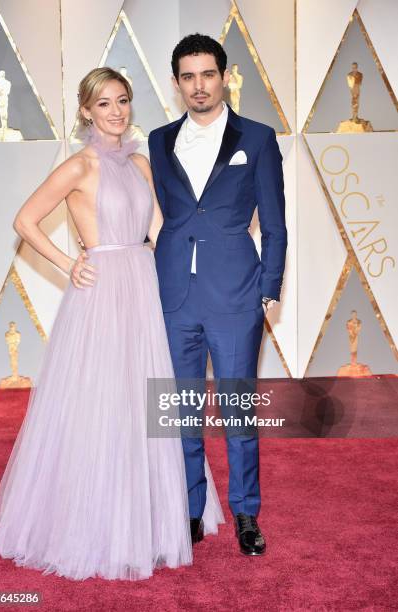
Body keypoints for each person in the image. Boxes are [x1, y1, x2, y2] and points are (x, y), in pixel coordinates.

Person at [0, 67, 224, 581]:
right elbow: (25, 221)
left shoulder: (141, 164)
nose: (116, 112)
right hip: (101, 290)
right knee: (101, 401)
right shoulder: (78, 166)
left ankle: (153, 521)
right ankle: (95, 523)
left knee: (147, 400)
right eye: (105, 103)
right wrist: (69, 264)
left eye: (123, 101)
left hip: (144, 286)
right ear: (87, 111)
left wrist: (205, 274)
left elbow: (161, 232)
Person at [148, 35, 287, 556]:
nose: (198, 86)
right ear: (177, 82)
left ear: (224, 76)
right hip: (174, 297)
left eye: (207, 74)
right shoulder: (159, 141)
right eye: (187, 76)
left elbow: (275, 224)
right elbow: (157, 214)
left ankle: (246, 512)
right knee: (179, 413)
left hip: (236, 296)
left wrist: (269, 288)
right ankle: (189, 513)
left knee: (238, 413)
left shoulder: (257, 136)